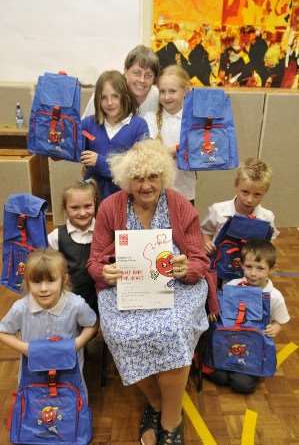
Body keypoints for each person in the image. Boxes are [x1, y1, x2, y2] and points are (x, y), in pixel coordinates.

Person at [87, 139, 218, 445]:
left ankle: (171, 420)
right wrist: (103, 271)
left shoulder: (179, 204)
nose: (146, 185)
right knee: (119, 333)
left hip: (175, 287)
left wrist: (189, 269)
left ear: (164, 177)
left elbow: (199, 258)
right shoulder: (110, 207)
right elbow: (93, 262)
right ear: (125, 180)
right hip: (126, 286)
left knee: (173, 329)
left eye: (153, 176)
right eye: (138, 177)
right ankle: (158, 404)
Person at [0, 249, 98, 393]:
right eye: (36, 282)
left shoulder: (76, 305)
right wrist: (26, 348)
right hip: (32, 375)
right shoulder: (20, 308)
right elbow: (3, 332)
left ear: (63, 280)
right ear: (27, 282)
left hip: (70, 373)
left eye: (51, 280)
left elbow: (92, 324)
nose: (44, 289)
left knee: (71, 407)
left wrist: (77, 344)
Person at [205, 239, 290, 393]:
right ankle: (230, 369)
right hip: (230, 341)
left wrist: (276, 327)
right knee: (220, 377)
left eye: (260, 268)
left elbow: (281, 321)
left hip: (254, 346)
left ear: (271, 269)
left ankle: (248, 373)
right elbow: (223, 311)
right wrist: (214, 312)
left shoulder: (275, 296)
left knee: (241, 385)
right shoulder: (231, 286)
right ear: (241, 265)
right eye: (249, 266)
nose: (253, 273)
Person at [80, 70, 149, 199]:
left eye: (115, 96)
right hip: (93, 202)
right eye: (103, 98)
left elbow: (139, 167)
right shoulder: (88, 124)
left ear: (125, 96)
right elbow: (65, 149)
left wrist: (100, 162)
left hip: (127, 201)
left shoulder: (139, 126)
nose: (109, 103)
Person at [201, 157, 279, 255]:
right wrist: (207, 243)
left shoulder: (267, 217)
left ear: (265, 192)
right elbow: (205, 231)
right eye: (245, 192)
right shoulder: (218, 210)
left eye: (257, 194)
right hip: (221, 264)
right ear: (236, 186)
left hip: (250, 267)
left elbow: (270, 242)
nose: (249, 200)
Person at [144, 65, 196, 202]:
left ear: (185, 91)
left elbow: (201, 150)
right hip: (154, 194)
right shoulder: (150, 119)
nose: (166, 97)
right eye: (162, 91)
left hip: (185, 194)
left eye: (172, 91)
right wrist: (180, 148)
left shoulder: (194, 121)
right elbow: (149, 155)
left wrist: (174, 150)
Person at [47, 179, 99, 314]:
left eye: (88, 206)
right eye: (75, 208)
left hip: (100, 299)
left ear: (95, 203)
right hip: (70, 302)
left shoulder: (104, 231)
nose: (82, 213)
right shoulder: (55, 237)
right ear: (65, 207)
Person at [83, 45, 160, 118]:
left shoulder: (158, 96)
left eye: (148, 75)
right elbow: (83, 129)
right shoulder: (106, 91)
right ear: (125, 71)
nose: (142, 80)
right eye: (137, 73)